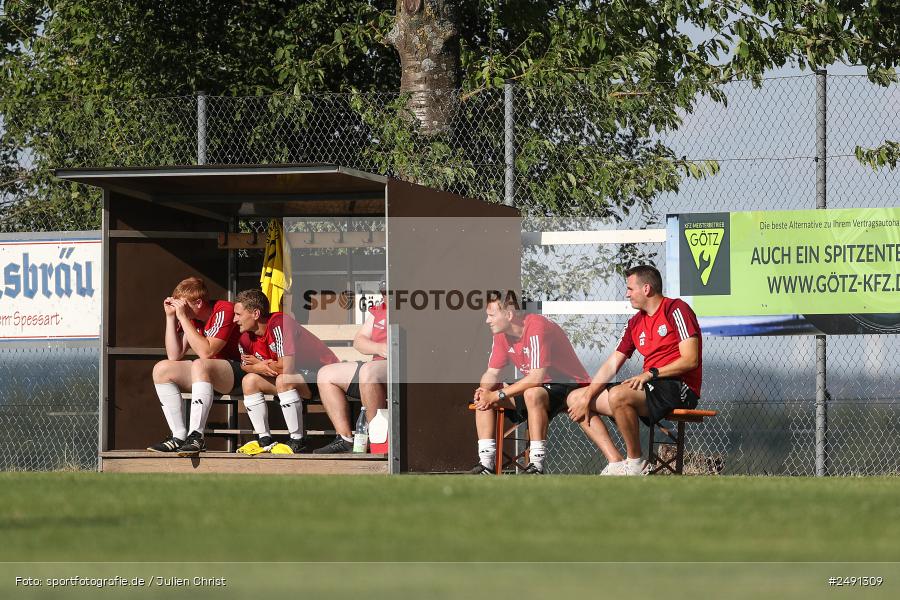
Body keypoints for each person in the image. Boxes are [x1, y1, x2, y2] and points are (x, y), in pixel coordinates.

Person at [566, 264, 702, 476]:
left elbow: (690, 360)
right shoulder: (634, 323)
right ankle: (616, 463)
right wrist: (587, 397)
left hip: (679, 387)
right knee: (576, 398)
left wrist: (651, 373)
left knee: (619, 394)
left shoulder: (676, 309)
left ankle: (636, 463)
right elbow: (612, 364)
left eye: (630, 288)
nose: (626, 294)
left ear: (646, 289)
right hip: (650, 386)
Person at [470, 293, 590, 475]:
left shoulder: (536, 326)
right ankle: (486, 465)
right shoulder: (501, 335)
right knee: (484, 399)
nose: (487, 321)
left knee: (531, 393)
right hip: (540, 386)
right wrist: (484, 390)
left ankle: (536, 465)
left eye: (491, 315)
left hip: (568, 384)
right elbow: (492, 372)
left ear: (509, 315)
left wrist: (497, 394)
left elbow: (536, 378)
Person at [232, 289, 340, 454]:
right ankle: (264, 439)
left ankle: (297, 440)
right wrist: (257, 367)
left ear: (256, 314)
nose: (235, 319)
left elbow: (286, 368)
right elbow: (245, 365)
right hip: (295, 379)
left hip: (322, 377)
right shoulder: (246, 337)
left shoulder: (280, 323)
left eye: (238, 314)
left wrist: (259, 364)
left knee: (284, 379)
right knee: (249, 381)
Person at [148, 277, 242, 455]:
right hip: (210, 374)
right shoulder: (191, 318)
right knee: (162, 369)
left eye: (184, 305)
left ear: (199, 302)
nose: (180, 309)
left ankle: (196, 436)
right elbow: (174, 355)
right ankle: (178, 436)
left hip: (241, 371)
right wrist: (170, 317)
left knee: (201, 363)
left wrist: (182, 317)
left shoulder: (224, 310)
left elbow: (207, 352)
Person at [314, 281, 388, 454]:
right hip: (377, 364)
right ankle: (345, 439)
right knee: (326, 374)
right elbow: (359, 341)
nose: (385, 295)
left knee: (368, 371)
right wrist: (379, 348)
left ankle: (375, 439)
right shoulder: (380, 309)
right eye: (383, 292)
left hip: (402, 367)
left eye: (389, 292)